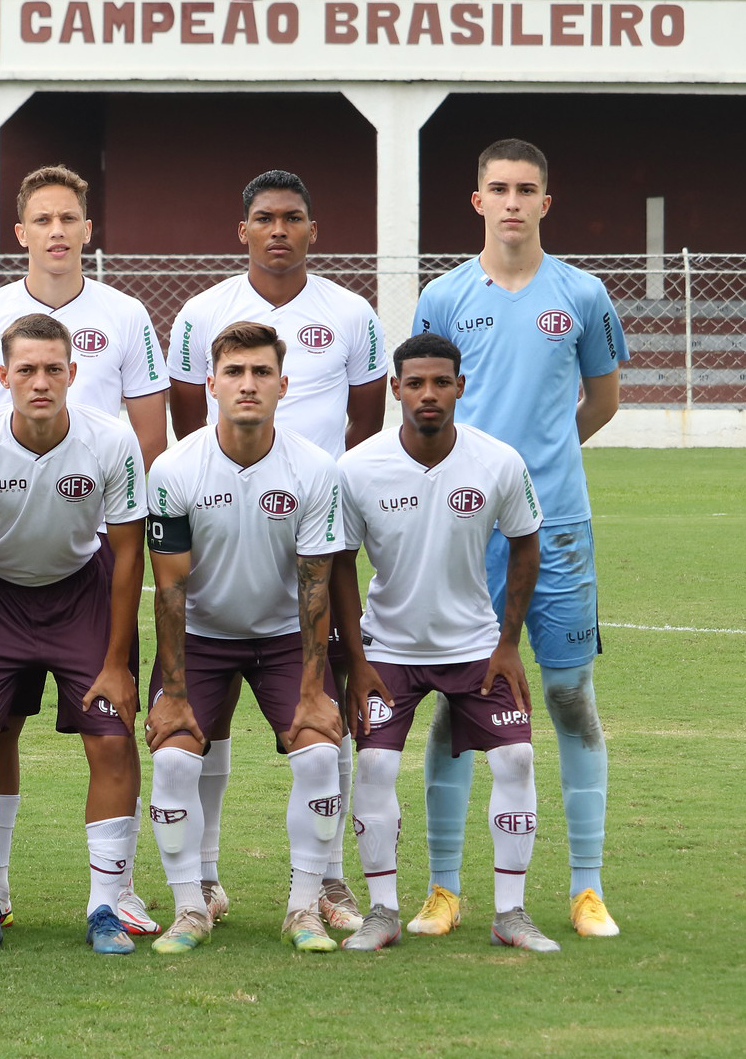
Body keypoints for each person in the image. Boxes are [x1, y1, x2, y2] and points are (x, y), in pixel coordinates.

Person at [0, 164, 167, 936]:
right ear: (4, 375)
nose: (39, 382)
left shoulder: (115, 396)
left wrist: (115, 657)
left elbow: (131, 553)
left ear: (75, 374)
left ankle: (109, 898)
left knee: (111, 730)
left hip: (82, 581)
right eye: (25, 371)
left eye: (54, 371)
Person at [412, 138, 628, 939]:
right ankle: (443, 888)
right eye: (497, 188)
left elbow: (601, 402)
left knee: (572, 697)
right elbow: (424, 399)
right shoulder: (442, 297)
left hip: (561, 528)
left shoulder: (583, 294)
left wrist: (541, 463)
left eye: (525, 189)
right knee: (455, 703)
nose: (511, 201)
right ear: (477, 201)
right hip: (469, 529)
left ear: (546, 201)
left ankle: (586, 888)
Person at [164, 169, 388, 931]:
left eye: (294, 218)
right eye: (265, 218)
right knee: (204, 726)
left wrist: (314, 495)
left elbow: (365, 422)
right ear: (244, 230)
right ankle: (206, 881)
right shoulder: (202, 313)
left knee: (325, 700)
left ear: (313, 229)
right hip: (229, 524)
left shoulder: (353, 312)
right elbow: (191, 418)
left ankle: (326, 884)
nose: (280, 231)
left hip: (318, 524)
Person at [332, 332, 559, 953]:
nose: (427, 395)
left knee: (517, 759)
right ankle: (381, 910)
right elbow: (340, 564)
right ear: (394, 389)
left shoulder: (499, 462)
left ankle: (510, 912)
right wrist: (355, 657)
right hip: (388, 651)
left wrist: (509, 643)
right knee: (375, 765)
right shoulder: (358, 468)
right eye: (414, 383)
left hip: (477, 647)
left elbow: (526, 542)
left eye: (440, 382)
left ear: (460, 386)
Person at [143, 320, 346, 954]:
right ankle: (190, 908)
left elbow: (317, 588)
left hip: (285, 637)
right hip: (201, 636)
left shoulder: (315, 470)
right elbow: (170, 592)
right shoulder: (175, 468)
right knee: (174, 759)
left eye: (261, 372)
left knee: (318, 753)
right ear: (210, 384)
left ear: (284, 385)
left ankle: (304, 907)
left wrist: (314, 692)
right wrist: (172, 691)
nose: (248, 385)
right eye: (234, 372)